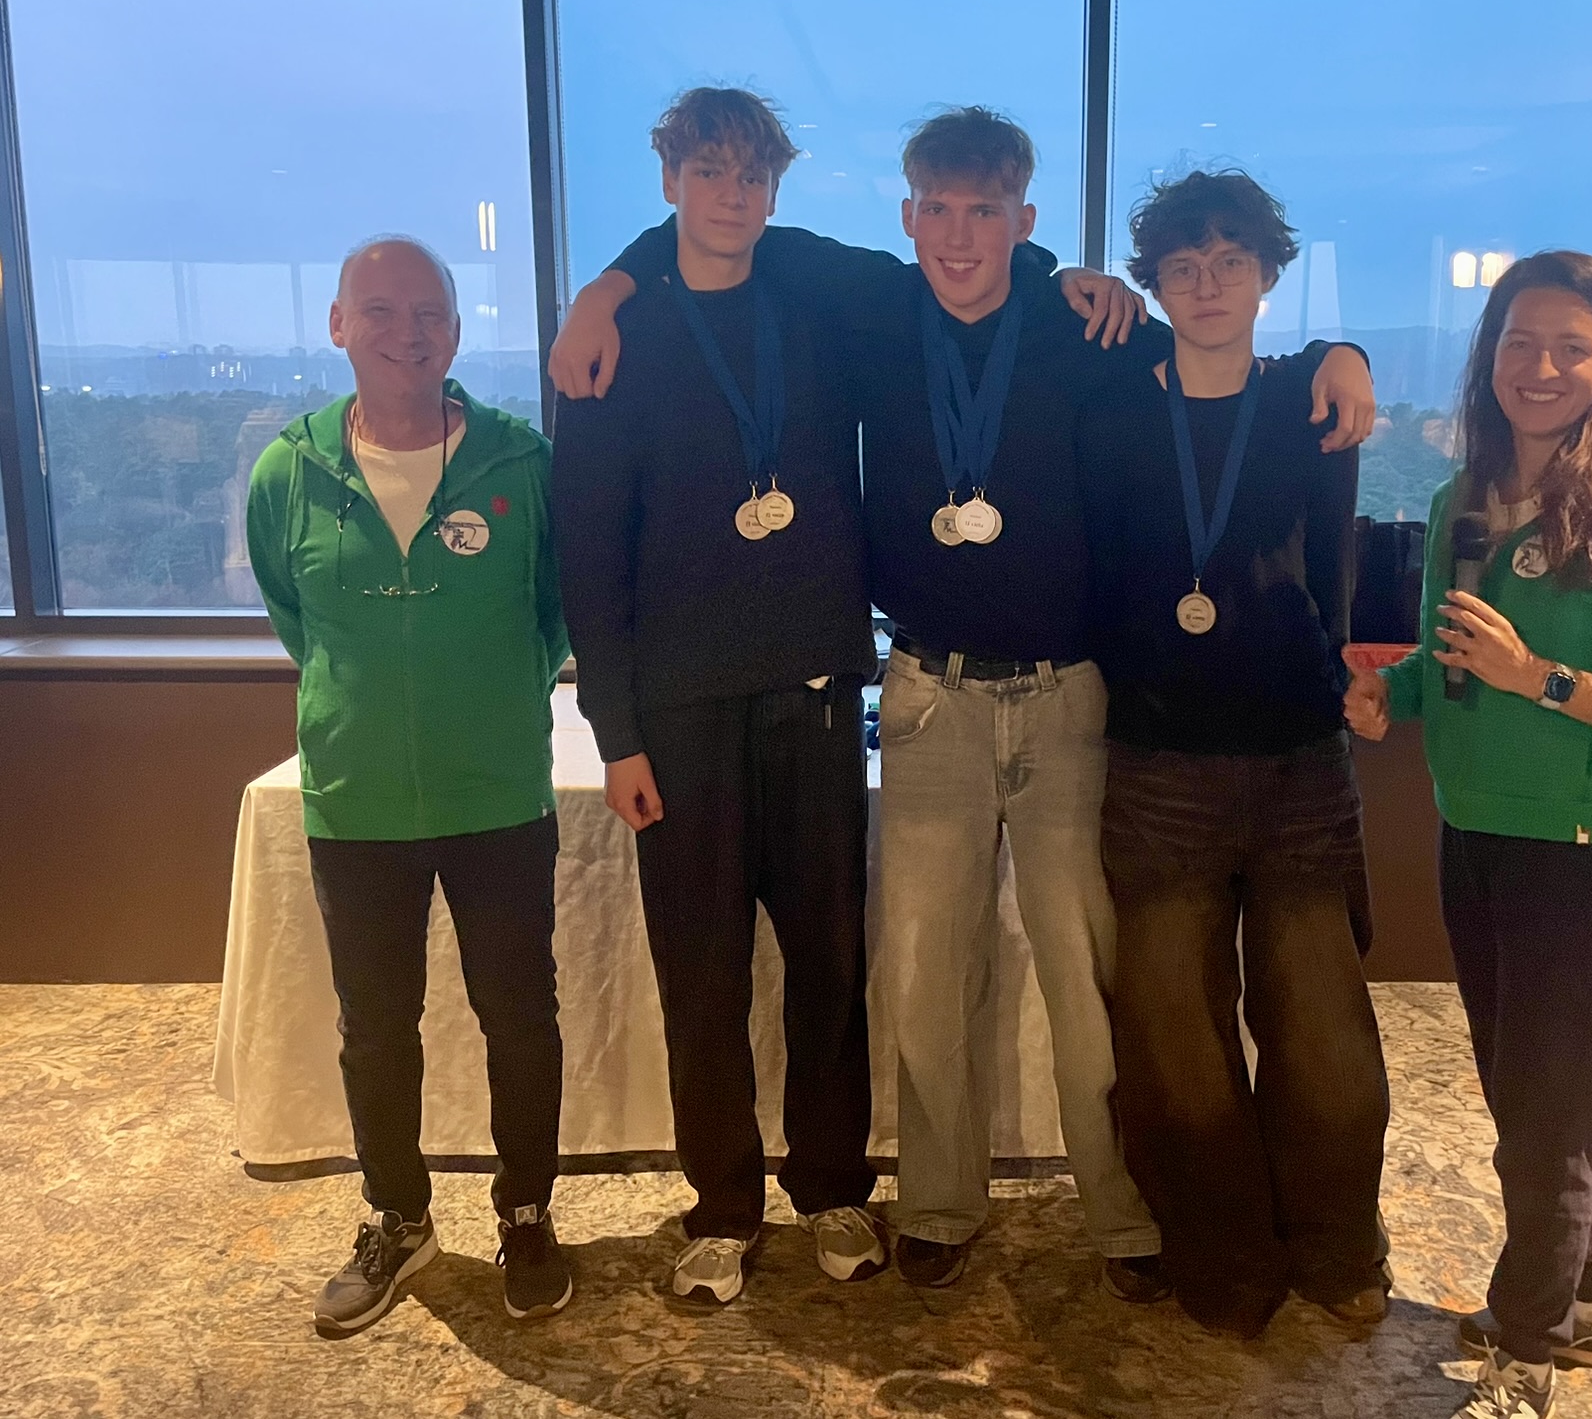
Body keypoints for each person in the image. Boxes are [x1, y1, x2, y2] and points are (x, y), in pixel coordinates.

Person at [551, 104, 1375, 1300]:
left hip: (1070, 698)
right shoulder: (874, 305)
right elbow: (717, 236)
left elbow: (1222, 367)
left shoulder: (1084, 323)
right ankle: (939, 1203)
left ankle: (1122, 1213)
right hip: (929, 696)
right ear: (907, 215)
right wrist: (603, 291)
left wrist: (1337, 354)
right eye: (936, 209)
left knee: (1088, 982)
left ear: (1023, 220)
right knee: (928, 977)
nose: (957, 235)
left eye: (984, 211)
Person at [1345, 251, 1592, 1419]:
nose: (1542, 367)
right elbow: (1449, 661)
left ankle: (1528, 1348)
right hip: (1476, 831)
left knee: (1544, 1118)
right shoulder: (1466, 501)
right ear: (1490, 356)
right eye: (1520, 341)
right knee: (1533, 1095)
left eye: (1571, 346)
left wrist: (1542, 678)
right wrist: (1393, 695)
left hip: (1583, 850)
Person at [553, 89, 890, 1306]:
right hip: (681, 712)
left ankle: (835, 1187)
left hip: (813, 691)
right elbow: (588, 551)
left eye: (752, 174)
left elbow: (941, 276)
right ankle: (722, 1206)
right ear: (670, 183)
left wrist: (1066, 275)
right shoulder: (619, 338)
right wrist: (618, 733)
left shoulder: (810, 293)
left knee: (829, 967)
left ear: (775, 188)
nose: (732, 195)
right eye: (708, 171)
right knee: (701, 975)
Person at [1077, 170, 1391, 1338]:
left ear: (1267, 275)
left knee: (1324, 1036)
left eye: (1230, 262)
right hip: (1157, 765)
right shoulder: (1112, 403)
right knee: (1176, 1042)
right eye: (1183, 266)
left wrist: (1349, 352)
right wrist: (1069, 278)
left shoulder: (1310, 400)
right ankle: (1224, 1257)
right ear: (1157, 284)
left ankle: (1337, 1246)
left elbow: (1334, 569)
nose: (1207, 285)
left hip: (1300, 762)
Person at [246, 236, 572, 1337]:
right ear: (339, 325)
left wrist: (484, 701)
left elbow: (554, 618)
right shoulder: (288, 472)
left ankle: (527, 1211)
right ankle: (398, 1215)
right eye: (379, 311)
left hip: (500, 795)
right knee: (375, 1027)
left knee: (520, 1017)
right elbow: (297, 617)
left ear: (457, 333)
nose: (407, 332)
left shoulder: (522, 463)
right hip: (357, 799)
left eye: (429, 312)